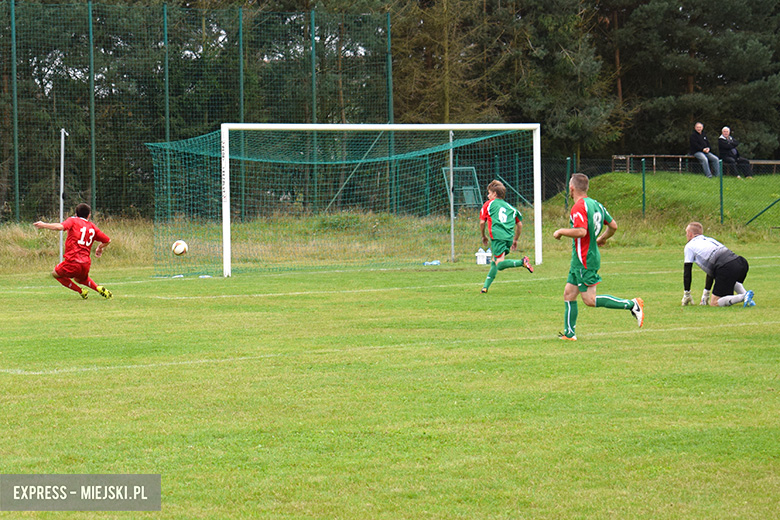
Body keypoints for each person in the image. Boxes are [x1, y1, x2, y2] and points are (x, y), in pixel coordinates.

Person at [553, 173, 643, 340]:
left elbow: (581, 232)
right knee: (569, 293)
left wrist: (561, 231)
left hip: (584, 258)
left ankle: (631, 304)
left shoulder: (579, 206)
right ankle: (569, 333)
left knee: (589, 299)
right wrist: (601, 238)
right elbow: (613, 226)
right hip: (581, 257)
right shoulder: (596, 204)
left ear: (571, 188)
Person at [34, 203, 113, 300]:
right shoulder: (92, 227)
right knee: (80, 279)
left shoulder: (73, 221)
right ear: (89, 215)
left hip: (73, 261)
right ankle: (97, 288)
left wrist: (44, 225)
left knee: (56, 274)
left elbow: (60, 227)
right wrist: (100, 248)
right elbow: (107, 240)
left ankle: (81, 291)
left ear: (76, 213)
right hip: (85, 263)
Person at [681, 221, 755, 308]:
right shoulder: (710, 240)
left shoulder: (689, 246)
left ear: (690, 234)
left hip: (726, 267)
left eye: (686, 233)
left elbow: (687, 272)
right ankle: (749, 299)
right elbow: (711, 271)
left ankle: (743, 296)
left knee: (714, 303)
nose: (686, 235)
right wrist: (706, 294)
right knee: (730, 280)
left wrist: (687, 293)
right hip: (740, 262)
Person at [479, 179, 533, 293]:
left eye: (489, 193)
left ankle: (522, 262)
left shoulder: (489, 204)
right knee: (494, 261)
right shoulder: (510, 208)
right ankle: (485, 287)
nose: (488, 195)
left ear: (494, 194)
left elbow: (482, 222)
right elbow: (519, 224)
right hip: (508, 238)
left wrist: (483, 236)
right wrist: (515, 240)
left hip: (497, 237)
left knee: (499, 265)